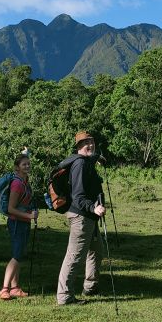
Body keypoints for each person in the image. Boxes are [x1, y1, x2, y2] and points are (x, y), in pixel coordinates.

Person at [56, 131, 106, 306]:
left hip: (88, 216)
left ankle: (90, 287)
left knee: (96, 250)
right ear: (78, 147)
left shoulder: (86, 161)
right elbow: (78, 196)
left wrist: (97, 156)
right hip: (81, 216)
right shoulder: (80, 165)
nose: (90, 145)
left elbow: (90, 157)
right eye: (86, 143)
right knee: (74, 256)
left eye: (92, 142)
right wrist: (94, 207)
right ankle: (64, 296)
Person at [1, 151, 38, 300]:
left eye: (28, 163)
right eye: (24, 164)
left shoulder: (25, 181)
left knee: (19, 254)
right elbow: (11, 209)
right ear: (17, 167)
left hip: (23, 222)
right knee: (16, 256)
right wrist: (29, 215)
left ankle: (15, 288)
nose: (27, 166)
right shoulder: (17, 183)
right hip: (16, 223)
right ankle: (4, 289)